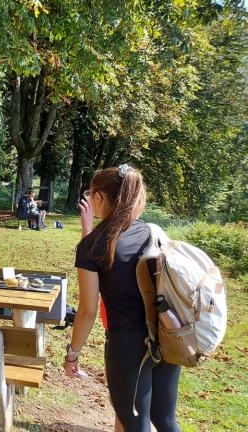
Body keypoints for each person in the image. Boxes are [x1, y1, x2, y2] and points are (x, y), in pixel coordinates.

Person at [64, 164, 181, 432]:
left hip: (128, 345)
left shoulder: (93, 245)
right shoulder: (153, 233)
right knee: (165, 420)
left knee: (134, 423)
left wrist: (73, 354)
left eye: (91, 194)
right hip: (166, 333)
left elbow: (87, 311)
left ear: (100, 197)